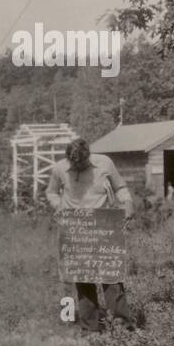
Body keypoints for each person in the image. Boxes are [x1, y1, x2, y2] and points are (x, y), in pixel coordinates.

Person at [46, 138, 140, 331]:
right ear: (68, 159)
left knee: (112, 277)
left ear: (89, 155)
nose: (78, 166)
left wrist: (128, 204)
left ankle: (122, 325)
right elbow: (51, 193)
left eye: (82, 162)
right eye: (75, 163)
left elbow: (120, 188)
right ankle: (91, 329)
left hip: (104, 227)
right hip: (75, 229)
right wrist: (59, 208)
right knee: (83, 279)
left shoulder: (105, 163)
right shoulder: (58, 169)